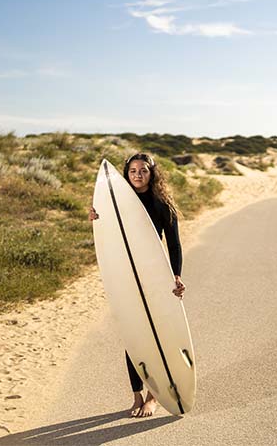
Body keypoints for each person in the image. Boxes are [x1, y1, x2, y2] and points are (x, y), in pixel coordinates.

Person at [89, 153, 185, 418]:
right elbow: (106, 234)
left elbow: (174, 244)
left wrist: (175, 276)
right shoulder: (115, 202)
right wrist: (96, 217)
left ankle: (153, 397)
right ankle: (136, 396)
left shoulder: (162, 203)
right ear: (126, 173)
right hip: (126, 275)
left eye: (143, 170)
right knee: (134, 335)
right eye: (132, 171)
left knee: (158, 334)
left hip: (154, 275)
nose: (138, 175)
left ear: (152, 174)